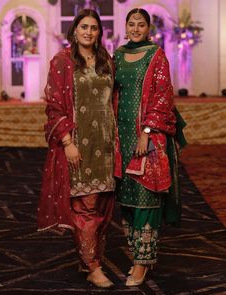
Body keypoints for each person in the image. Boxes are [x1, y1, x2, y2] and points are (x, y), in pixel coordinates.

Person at [37, 9, 116, 288]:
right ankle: (93, 267)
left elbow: (112, 102)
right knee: (85, 206)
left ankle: (90, 259)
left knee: (104, 207)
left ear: (99, 33)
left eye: (94, 28)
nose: (89, 32)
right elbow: (54, 105)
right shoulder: (62, 61)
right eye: (84, 27)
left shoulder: (106, 60)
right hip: (79, 146)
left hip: (106, 146)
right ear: (74, 30)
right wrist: (67, 141)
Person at [113, 8, 187, 286]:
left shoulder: (156, 55)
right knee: (127, 199)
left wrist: (146, 131)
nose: (135, 29)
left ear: (148, 28)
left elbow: (162, 96)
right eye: (131, 24)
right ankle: (139, 256)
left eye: (140, 25)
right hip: (121, 138)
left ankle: (142, 263)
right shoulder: (118, 55)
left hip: (149, 138)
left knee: (146, 198)